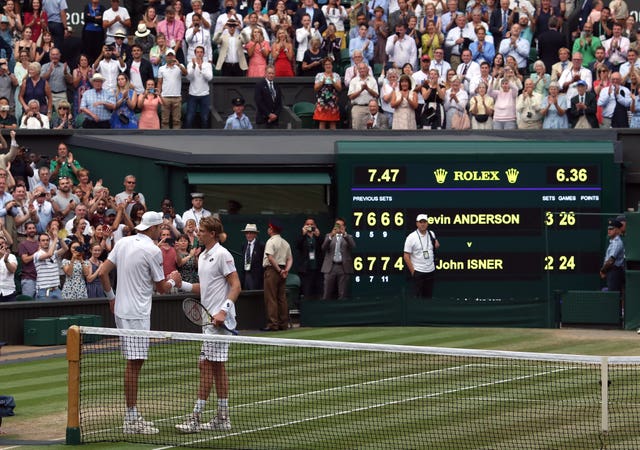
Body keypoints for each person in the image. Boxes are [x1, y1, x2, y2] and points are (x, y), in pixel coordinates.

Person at [98, 211, 179, 435]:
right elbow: (162, 288)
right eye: (159, 227)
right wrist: (175, 280)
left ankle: (131, 415)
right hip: (136, 315)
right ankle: (131, 418)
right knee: (134, 365)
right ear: (153, 229)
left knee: (135, 364)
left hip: (123, 311)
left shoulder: (123, 242)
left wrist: (111, 298)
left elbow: (103, 272)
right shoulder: (153, 251)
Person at [174, 216, 241, 433]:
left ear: (211, 233)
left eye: (201, 230)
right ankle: (222, 417)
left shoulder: (222, 254)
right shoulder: (202, 256)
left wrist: (224, 310)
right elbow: (205, 288)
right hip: (207, 321)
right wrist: (180, 284)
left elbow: (236, 286)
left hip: (220, 322)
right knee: (217, 367)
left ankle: (195, 418)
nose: (198, 233)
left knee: (206, 366)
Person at [262, 219, 292, 330]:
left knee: (271, 298)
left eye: (269, 227)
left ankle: (273, 324)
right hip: (282, 271)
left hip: (272, 271)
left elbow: (270, 257)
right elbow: (290, 259)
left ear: (271, 229)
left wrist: (279, 271)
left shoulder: (270, 242)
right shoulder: (285, 243)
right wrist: (285, 271)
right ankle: (283, 324)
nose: (268, 229)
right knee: (281, 298)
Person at [403, 214, 439, 298]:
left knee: (428, 297)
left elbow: (436, 244)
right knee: (417, 298)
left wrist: (435, 243)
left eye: (424, 222)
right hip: (418, 272)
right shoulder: (411, 237)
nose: (423, 224)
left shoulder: (431, 234)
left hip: (430, 271)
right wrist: (413, 272)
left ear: (427, 223)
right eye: (420, 222)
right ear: (417, 224)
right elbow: (406, 256)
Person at [321, 217, 355, 300]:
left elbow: (353, 246)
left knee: (342, 294)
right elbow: (323, 248)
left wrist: (345, 235)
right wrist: (330, 236)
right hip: (330, 267)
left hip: (343, 268)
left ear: (344, 227)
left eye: (341, 225)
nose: (339, 227)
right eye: (337, 225)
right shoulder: (328, 236)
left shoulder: (348, 237)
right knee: (326, 293)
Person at [157, 49, 187, 129]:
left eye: (172, 55)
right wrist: (159, 94)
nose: (170, 57)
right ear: (166, 57)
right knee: (164, 120)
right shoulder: (161, 69)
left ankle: (177, 138)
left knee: (177, 120)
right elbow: (159, 82)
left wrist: (179, 65)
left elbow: (186, 73)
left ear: (174, 56)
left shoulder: (180, 66)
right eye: (168, 55)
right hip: (165, 97)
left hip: (177, 96)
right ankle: (165, 138)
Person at [34, 230, 66, 300]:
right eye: (43, 240)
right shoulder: (37, 254)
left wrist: (60, 238)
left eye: (47, 240)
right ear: (39, 243)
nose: (46, 242)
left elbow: (65, 248)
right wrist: (55, 239)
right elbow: (49, 254)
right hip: (44, 290)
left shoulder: (54, 253)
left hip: (56, 289)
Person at [185, 45, 213, 129]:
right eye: (197, 52)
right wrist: (194, 67)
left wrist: (201, 69)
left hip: (204, 94)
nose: (199, 54)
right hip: (193, 94)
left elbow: (210, 78)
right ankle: (187, 136)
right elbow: (189, 77)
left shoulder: (207, 65)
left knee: (205, 118)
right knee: (190, 117)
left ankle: (205, 137)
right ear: (195, 54)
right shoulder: (190, 64)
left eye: (201, 52)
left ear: (204, 54)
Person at [296, 217, 323, 300]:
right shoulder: (302, 236)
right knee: (306, 292)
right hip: (306, 269)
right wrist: (303, 235)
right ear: (304, 226)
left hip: (317, 268)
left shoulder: (317, 236)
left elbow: (324, 247)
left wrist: (318, 236)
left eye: (312, 224)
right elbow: (297, 246)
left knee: (318, 292)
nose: (310, 226)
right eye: (307, 224)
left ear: (315, 226)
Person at [348, 62, 379, 130]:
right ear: (358, 70)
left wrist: (367, 89)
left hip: (371, 109)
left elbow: (376, 95)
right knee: (357, 129)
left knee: (372, 129)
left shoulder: (372, 80)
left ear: (367, 69)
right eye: (360, 68)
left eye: (364, 68)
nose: (362, 70)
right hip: (358, 108)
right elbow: (350, 96)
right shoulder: (354, 81)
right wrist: (361, 90)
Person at [600, 218, 625, 295]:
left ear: (617, 230)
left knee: (613, 295)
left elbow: (611, 260)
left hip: (614, 271)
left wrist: (603, 270)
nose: (609, 231)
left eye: (611, 229)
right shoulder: (613, 242)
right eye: (608, 229)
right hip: (611, 271)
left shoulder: (617, 243)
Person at [240, 223, 264, 290]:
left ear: (255, 234)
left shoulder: (261, 245)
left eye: (251, 233)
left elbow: (263, 263)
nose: (248, 235)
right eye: (247, 233)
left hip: (256, 277)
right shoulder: (244, 245)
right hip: (246, 275)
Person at [18, 221, 38, 297]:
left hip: (40, 278)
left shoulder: (39, 243)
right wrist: (37, 253)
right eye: (29, 228)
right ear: (26, 231)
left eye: (33, 228)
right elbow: (25, 260)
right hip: (28, 279)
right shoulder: (23, 244)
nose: (32, 230)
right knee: (28, 305)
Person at [0, 236, 16, 302]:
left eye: (3, 243)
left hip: (9, 292)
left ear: (6, 244)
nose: (1, 245)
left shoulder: (11, 256)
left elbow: (13, 270)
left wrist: (6, 259)